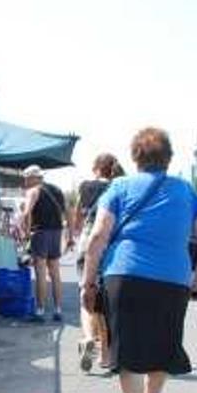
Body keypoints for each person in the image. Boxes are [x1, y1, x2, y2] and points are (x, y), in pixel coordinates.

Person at [80, 127, 197, 393]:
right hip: (172, 280)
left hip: (124, 276)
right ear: (168, 158)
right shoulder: (187, 191)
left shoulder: (119, 187)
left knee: (126, 353)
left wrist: (87, 281)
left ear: (135, 157)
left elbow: (98, 237)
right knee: (162, 348)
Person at [73, 153, 123, 372]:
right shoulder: (117, 187)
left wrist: (73, 235)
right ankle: (106, 355)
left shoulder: (85, 186)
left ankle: (87, 337)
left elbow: (77, 214)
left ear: (96, 167)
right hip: (109, 242)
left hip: (87, 239)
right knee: (103, 300)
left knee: (86, 291)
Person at [21, 165, 72, 323]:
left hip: (41, 232)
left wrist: (26, 233)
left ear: (33, 177)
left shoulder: (33, 191)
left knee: (41, 273)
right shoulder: (57, 190)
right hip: (56, 232)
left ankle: (40, 311)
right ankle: (57, 310)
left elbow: (27, 212)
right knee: (55, 273)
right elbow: (68, 211)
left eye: (26, 179)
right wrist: (69, 234)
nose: (25, 182)